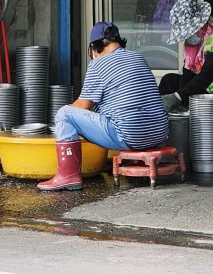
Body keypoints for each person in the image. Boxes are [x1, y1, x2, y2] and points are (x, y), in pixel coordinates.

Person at [38, 21, 169, 191]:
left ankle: (68, 176)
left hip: (130, 136)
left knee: (64, 114)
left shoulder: (98, 64)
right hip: (159, 134)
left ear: (95, 47)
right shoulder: (138, 58)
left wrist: (59, 128)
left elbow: (82, 106)